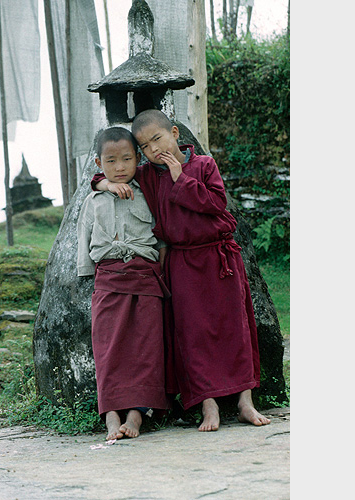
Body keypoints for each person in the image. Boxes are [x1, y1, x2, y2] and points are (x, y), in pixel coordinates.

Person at [92, 109, 271, 432]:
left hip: (219, 260)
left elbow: (216, 204)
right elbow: (106, 174)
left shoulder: (203, 166)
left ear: (175, 134)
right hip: (182, 262)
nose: (153, 150)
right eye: (145, 146)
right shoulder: (148, 175)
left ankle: (245, 401)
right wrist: (104, 184)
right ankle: (209, 405)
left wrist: (181, 179)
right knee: (192, 335)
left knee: (235, 329)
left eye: (157, 139)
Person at [77, 126, 170, 441]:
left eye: (127, 159)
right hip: (108, 280)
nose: (119, 167)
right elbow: (83, 237)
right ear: (98, 163)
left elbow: (161, 237)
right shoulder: (93, 200)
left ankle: (136, 414)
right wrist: (86, 272)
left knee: (147, 347)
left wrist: (161, 267)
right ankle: (112, 415)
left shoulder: (148, 191)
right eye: (111, 161)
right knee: (109, 348)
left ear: (138, 159)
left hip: (145, 278)